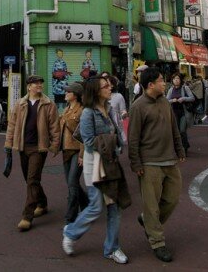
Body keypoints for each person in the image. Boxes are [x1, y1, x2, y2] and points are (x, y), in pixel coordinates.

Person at [62, 76, 130, 264]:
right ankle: (71, 232)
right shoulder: (88, 113)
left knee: (114, 208)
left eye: (109, 85)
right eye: (105, 86)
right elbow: (89, 142)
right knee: (95, 207)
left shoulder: (108, 109)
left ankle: (112, 248)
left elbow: (115, 134)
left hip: (111, 163)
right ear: (96, 91)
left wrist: (116, 142)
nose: (110, 88)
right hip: (95, 166)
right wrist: (111, 140)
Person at [128, 67, 185, 263]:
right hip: (149, 161)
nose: (165, 83)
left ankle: (148, 222)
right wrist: (135, 163)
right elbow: (133, 138)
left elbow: (173, 127)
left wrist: (180, 149)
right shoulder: (138, 106)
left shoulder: (164, 102)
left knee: (172, 199)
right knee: (151, 205)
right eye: (161, 80)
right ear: (150, 84)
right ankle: (157, 242)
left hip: (170, 158)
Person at [4, 75, 60, 232]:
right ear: (29, 86)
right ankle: (42, 203)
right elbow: (12, 125)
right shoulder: (20, 103)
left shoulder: (49, 104)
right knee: (30, 180)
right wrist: (9, 143)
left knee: (32, 179)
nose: (39, 85)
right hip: (23, 146)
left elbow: (54, 127)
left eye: (40, 83)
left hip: (39, 147)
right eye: (36, 83)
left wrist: (55, 145)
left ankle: (27, 216)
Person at [59, 82, 88, 224]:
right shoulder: (65, 110)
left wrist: (82, 154)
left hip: (77, 150)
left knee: (72, 183)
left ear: (75, 95)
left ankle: (70, 217)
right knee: (72, 183)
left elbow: (84, 134)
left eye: (68, 91)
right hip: (65, 150)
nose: (65, 93)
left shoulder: (82, 111)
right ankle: (86, 203)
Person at [166, 73, 195, 155]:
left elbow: (192, 98)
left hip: (184, 112)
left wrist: (183, 98)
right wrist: (172, 100)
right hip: (174, 112)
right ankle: (179, 148)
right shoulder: (171, 89)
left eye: (178, 78)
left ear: (180, 80)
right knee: (176, 131)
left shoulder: (185, 88)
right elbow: (166, 100)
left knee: (182, 130)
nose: (176, 80)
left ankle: (184, 148)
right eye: (174, 79)